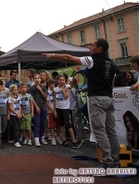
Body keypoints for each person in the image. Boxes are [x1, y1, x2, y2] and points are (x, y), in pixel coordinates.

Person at [44, 38, 120, 170]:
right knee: (111, 131)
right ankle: (116, 161)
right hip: (109, 98)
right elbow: (112, 83)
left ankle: (108, 163)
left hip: (97, 99)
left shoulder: (91, 60)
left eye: (92, 45)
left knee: (99, 131)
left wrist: (52, 55)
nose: (90, 47)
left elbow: (69, 57)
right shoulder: (112, 63)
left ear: (99, 48)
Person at [29, 74, 48, 147]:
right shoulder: (32, 88)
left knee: (43, 123)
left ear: (40, 79)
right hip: (36, 107)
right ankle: (36, 137)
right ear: (33, 80)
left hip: (43, 106)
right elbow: (32, 99)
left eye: (38, 78)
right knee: (37, 122)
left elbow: (46, 97)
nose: (37, 79)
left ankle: (42, 137)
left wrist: (40, 90)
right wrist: (36, 107)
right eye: (35, 78)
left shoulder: (43, 87)